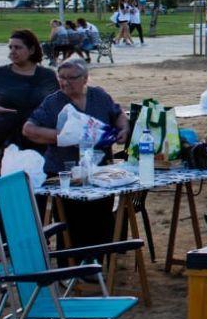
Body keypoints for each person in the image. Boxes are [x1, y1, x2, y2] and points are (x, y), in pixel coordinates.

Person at [22, 59, 130, 248]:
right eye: (61, 78)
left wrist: (123, 129)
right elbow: (29, 129)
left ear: (85, 78)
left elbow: (118, 114)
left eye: (71, 78)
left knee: (100, 217)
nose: (65, 82)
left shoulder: (100, 96)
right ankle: (71, 263)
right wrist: (63, 137)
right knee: (72, 221)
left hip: (100, 172)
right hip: (65, 172)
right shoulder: (53, 102)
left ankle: (99, 262)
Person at [0, 30, 57, 180]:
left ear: (32, 49)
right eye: (10, 47)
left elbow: (56, 107)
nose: (13, 51)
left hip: (37, 140)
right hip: (1, 140)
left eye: (18, 47)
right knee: (2, 188)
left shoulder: (47, 76)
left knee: (36, 187)